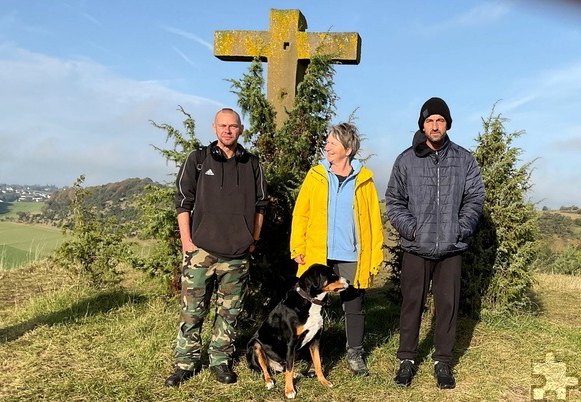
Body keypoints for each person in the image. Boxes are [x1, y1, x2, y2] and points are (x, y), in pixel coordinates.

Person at [385, 97, 485, 389]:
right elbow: (394, 200)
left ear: (448, 124)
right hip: (417, 247)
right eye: (430, 121)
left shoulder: (464, 159)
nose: (435, 125)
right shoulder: (406, 159)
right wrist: (412, 230)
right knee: (412, 304)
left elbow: (475, 198)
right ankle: (407, 359)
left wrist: (460, 228)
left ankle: (443, 361)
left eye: (440, 120)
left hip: (451, 249)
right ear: (422, 125)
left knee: (448, 305)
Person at [165, 108, 268, 387]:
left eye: (233, 126)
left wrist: (253, 239)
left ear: (241, 129)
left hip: (237, 253)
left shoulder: (252, 164)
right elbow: (182, 201)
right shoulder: (197, 159)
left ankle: (220, 361)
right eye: (223, 126)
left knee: (229, 313)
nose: (228, 130)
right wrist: (187, 242)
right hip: (201, 251)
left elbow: (261, 205)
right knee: (192, 311)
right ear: (214, 128)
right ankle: (185, 364)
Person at [290, 122, 384, 377]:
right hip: (318, 253)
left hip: (351, 254)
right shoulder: (316, 175)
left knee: (353, 306)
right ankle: (312, 357)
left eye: (333, 143)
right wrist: (298, 246)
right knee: (313, 307)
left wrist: (375, 255)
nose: (327, 146)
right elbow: (302, 213)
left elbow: (374, 222)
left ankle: (355, 354)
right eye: (328, 142)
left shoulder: (364, 180)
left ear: (349, 148)